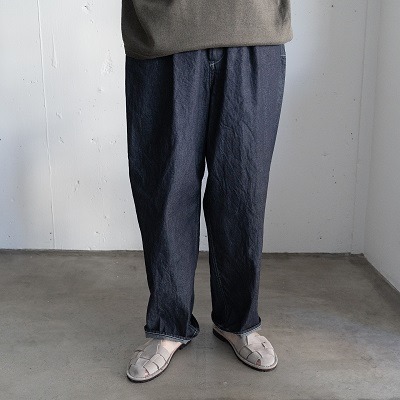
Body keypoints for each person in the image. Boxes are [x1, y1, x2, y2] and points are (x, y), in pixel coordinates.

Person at [122, 0, 293, 382]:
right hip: (164, 30)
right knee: (166, 191)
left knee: (243, 190)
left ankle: (238, 320)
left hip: (253, 26)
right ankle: (168, 324)